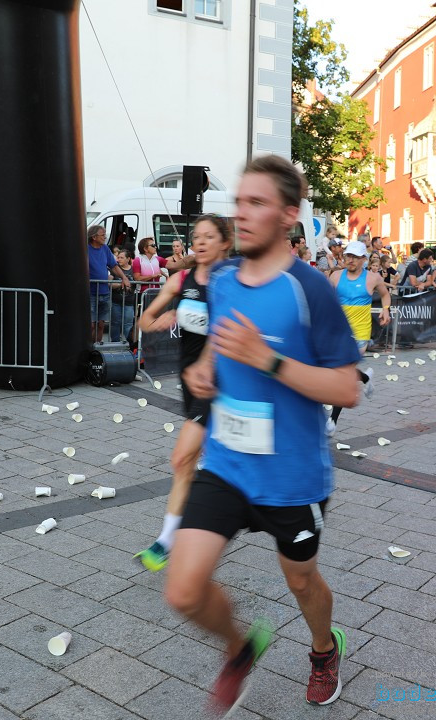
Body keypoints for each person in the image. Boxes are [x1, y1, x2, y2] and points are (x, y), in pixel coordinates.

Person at [167, 155, 358, 712]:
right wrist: (207, 365)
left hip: (292, 477)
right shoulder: (223, 279)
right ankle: (239, 646)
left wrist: (268, 360)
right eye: (238, 203)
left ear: (289, 215)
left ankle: (324, 650)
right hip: (227, 464)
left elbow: (348, 389)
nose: (242, 215)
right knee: (182, 589)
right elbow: (220, 343)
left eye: (257, 204)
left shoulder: (310, 290)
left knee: (301, 583)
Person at [134, 214, 232, 572]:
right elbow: (143, 321)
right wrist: (159, 320)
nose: (201, 242)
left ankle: (167, 540)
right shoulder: (181, 280)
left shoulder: (234, 282)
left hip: (222, 383)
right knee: (203, 463)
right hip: (191, 382)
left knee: (182, 460)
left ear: (225, 242)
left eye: (210, 236)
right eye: (197, 236)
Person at [326, 240, 390, 434]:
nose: (350, 260)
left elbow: (386, 295)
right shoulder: (336, 276)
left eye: (355, 257)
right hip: (338, 332)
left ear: (364, 259)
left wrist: (386, 310)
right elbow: (324, 298)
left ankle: (332, 421)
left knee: (343, 373)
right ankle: (365, 378)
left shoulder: (373, 278)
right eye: (348, 256)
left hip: (360, 333)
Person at [87, 225, 129, 343]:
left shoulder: (105, 249)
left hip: (104, 292)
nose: (105, 237)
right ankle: (89, 349)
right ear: (94, 237)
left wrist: (124, 278)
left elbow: (114, 266)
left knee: (101, 324)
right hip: (91, 293)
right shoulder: (85, 249)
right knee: (91, 325)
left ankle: (98, 350)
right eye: (103, 235)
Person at [110, 248, 135, 345]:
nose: (118, 259)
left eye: (121, 257)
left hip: (129, 301)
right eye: (118, 257)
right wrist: (122, 284)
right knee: (115, 323)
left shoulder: (133, 270)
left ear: (128, 259)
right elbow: (109, 283)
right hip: (116, 301)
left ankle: (129, 343)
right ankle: (114, 343)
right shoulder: (115, 270)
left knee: (128, 323)